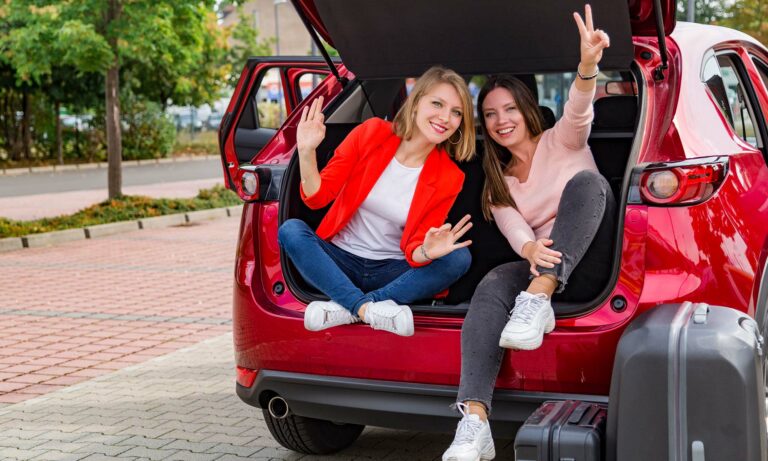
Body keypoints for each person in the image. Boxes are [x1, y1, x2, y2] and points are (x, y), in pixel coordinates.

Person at [442, 6, 616, 461]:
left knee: (588, 183)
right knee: (495, 281)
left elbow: (580, 103)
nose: (502, 121)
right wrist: (529, 248)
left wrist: (588, 65)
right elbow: (514, 227)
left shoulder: (564, 139)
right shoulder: (498, 181)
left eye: (510, 109)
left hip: (590, 258)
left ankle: (539, 299)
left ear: (527, 107)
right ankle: (474, 423)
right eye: (491, 114)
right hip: (546, 259)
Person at [278, 66, 476, 337]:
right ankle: (367, 310)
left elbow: (414, 249)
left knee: (458, 258)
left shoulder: (450, 176)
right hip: (340, 261)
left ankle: (348, 307)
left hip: (392, 269)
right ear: (416, 103)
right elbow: (317, 198)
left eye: (456, 112)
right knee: (291, 231)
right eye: (437, 104)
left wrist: (428, 251)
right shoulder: (371, 133)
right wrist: (306, 150)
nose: (445, 117)